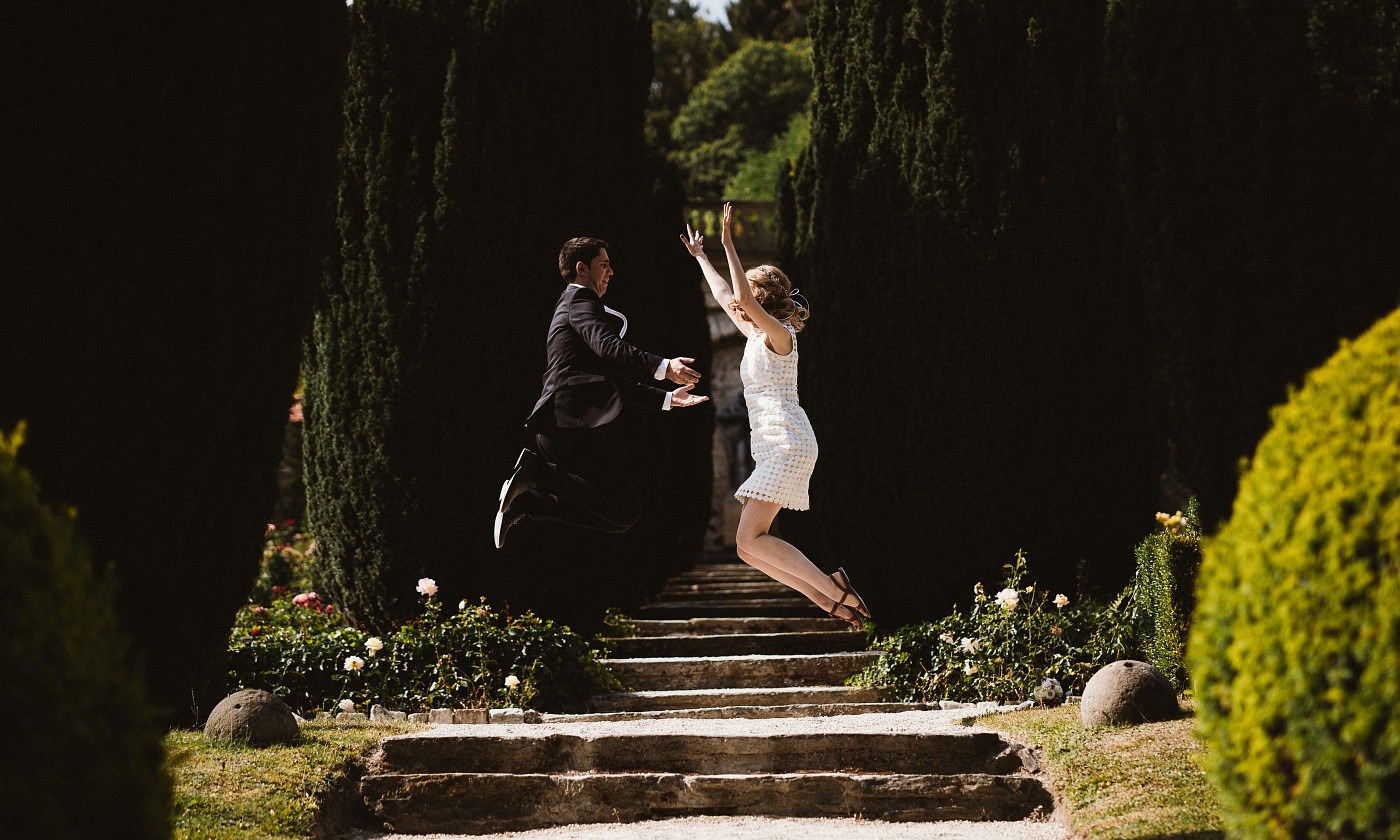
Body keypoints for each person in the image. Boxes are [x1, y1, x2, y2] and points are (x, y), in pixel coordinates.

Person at [680, 203, 871, 627]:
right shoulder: (753, 335)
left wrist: (729, 243)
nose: (739, 301)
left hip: (787, 442)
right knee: (749, 548)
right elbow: (728, 297)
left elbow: (741, 297)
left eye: (748, 292)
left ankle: (832, 587)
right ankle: (827, 597)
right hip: (775, 446)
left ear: (762, 300)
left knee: (748, 538)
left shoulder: (780, 336)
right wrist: (702, 258)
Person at [493, 236, 709, 549]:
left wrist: (666, 398)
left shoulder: (575, 304)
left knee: (622, 514)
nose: (611, 273)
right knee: (622, 510)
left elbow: (609, 380)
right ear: (582, 268)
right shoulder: (580, 301)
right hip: (564, 420)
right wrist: (663, 367)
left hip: (567, 422)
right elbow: (610, 348)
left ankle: (529, 503)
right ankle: (536, 474)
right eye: (604, 265)